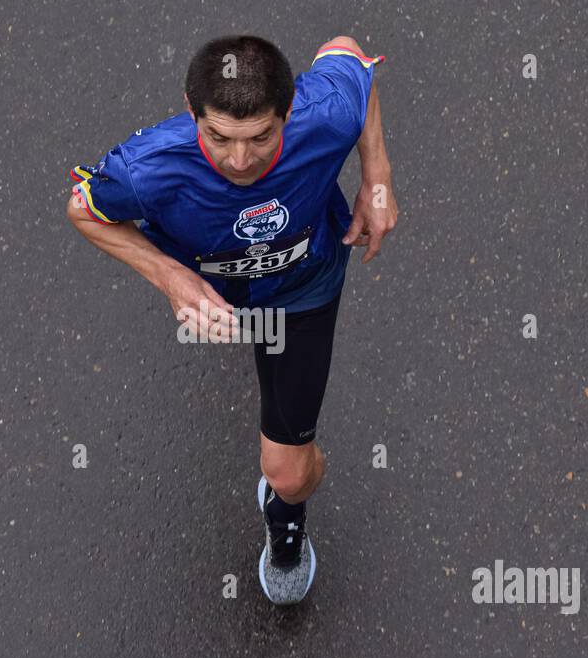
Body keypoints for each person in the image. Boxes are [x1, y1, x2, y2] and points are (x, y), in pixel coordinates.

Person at [66, 34, 397, 605]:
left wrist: (378, 176)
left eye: (261, 137)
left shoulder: (323, 114)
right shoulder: (146, 168)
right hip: (218, 301)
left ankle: (286, 513)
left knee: (289, 473)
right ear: (191, 110)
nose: (240, 160)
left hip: (304, 290)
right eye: (218, 137)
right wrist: (170, 276)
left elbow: (351, 58)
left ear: (290, 110)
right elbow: (83, 210)